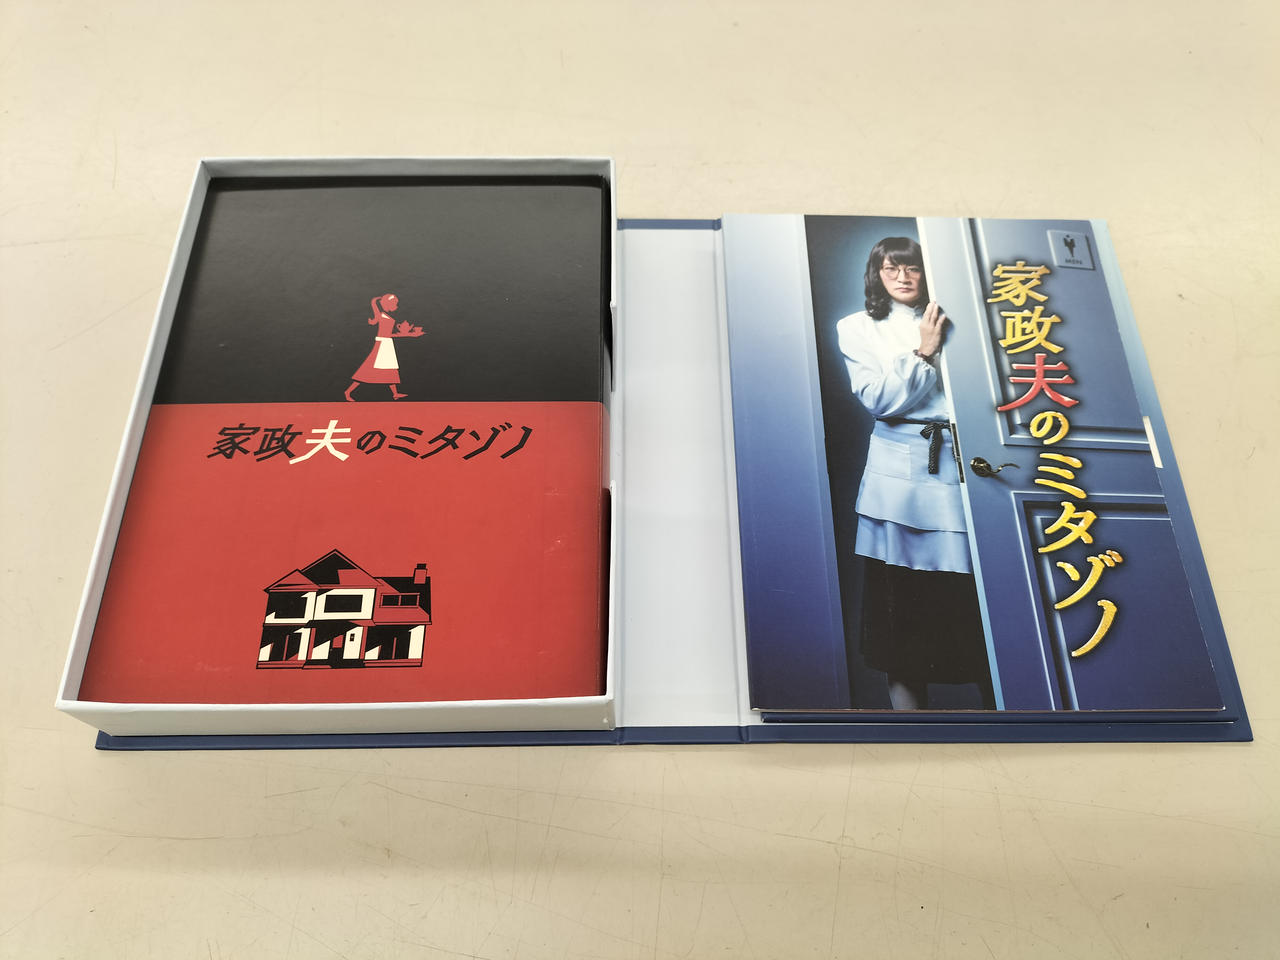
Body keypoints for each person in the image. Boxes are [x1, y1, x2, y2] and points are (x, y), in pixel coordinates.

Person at [836, 237, 994, 710]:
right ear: (877, 274)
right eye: (892, 268)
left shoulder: (962, 319)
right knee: (899, 608)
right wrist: (923, 352)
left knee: (981, 604)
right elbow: (879, 401)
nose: (903, 277)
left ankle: (1007, 721)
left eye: (912, 268)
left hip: (969, 464)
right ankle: (911, 728)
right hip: (898, 476)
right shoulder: (857, 327)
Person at [345, 293, 423, 401]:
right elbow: (386, 334)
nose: (396, 306)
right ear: (387, 303)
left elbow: (389, 334)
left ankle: (395, 393)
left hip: (387, 344)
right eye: (394, 303)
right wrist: (409, 335)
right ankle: (348, 391)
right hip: (382, 344)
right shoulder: (381, 316)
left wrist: (408, 334)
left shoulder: (386, 316)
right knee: (367, 369)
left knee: (390, 369)